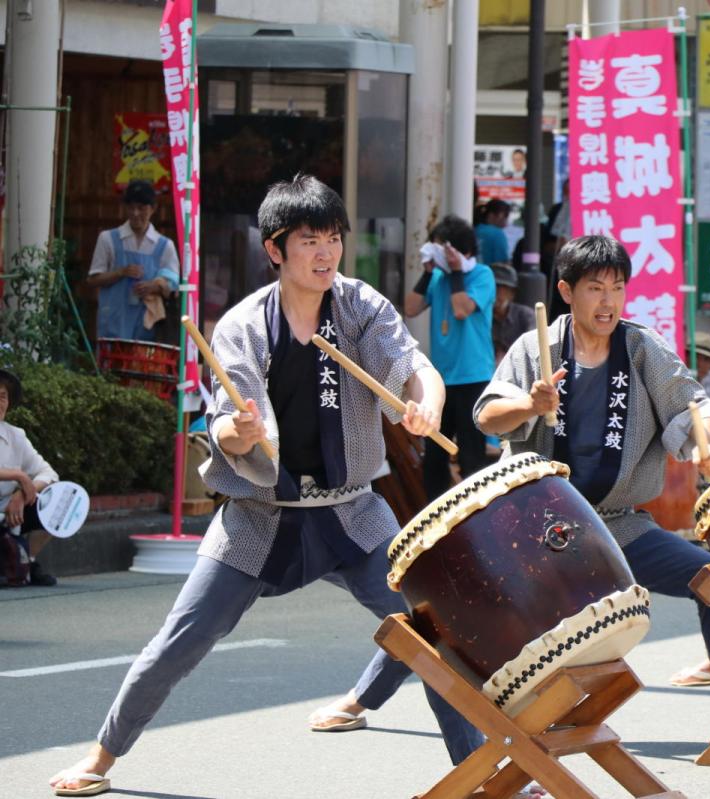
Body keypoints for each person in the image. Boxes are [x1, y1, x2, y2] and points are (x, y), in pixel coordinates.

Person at [49, 175, 482, 798]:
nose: (326, 253)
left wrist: (427, 406)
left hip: (353, 512)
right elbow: (223, 427)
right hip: (260, 517)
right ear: (275, 248)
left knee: (430, 628)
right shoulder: (243, 326)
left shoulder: (358, 306)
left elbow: (414, 368)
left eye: (333, 238)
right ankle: (101, 755)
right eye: (310, 240)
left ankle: (477, 772)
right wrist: (241, 432)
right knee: (179, 642)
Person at [473, 235, 710, 745]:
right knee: (469, 616)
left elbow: (693, 405)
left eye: (618, 288)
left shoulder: (642, 348)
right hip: (541, 531)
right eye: (595, 288)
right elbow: (488, 415)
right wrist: (530, 405)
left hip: (619, 525)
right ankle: (414, 706)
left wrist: (705, 440)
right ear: (566, 292)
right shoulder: (536, 347)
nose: (609, 301)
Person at [403, 215, 496, 499]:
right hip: (441, 380)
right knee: (434, 457)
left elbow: (461, 309)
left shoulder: (482, 275)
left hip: (473, 377)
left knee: (471, 457)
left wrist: (456, 273)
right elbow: (410, 308)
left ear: (462, 250)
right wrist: (428, 273)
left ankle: (476, 515)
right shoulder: (438, 278)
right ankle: (435, 513)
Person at [86, 180, 180, 342]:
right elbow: (92, 280)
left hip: (148, 330)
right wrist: (121, 272)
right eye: (131, 207)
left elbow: (174, 287)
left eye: (141, 208)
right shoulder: (107, 239)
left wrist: (154, 286)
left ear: (153, 208)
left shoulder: (165, 246)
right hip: (113, 325)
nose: (135, 213)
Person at [0, 368, 60, 587]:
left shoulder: (16, 436)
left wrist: (22, 494)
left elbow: (49, 473)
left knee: (60, 500)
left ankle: (26, 562)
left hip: (8, 512)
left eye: (3, 397)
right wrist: (18, 475)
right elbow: (20, 475)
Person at [490, 263, 535, 362]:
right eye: (492, 288)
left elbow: (534, 346)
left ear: (512, 294)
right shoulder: (482, 318)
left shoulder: (526, 315)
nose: (495, 293)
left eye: (501, 289)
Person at [474, 198, 512, 268]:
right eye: (506, 215)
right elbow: (503, 263)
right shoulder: (497, 234)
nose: (506, 221)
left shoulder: (474, 229)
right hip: (491, 273)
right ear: (492, 215)